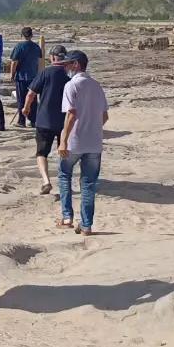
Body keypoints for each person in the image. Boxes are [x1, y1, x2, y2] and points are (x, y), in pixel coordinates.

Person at [57, 51, 109, 235]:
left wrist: (63, 140)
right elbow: (104, 116)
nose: (65, 68)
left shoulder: (71, 86)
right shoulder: (96, 86)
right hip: (94, 143)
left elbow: (71, 114)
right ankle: (86, 225)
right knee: (88, 184)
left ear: (76, 64)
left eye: (68, 64)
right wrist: (93, 128)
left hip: (75, 141)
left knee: (64, 176)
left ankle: (67, 216)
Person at [23, 45, 71, 194]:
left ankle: (46, 181)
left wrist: (26, 108)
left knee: (41, 153)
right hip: (63, 121)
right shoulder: (68, 76)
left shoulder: (45, 73)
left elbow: (31, 93)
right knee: (63, 152)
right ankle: (64, 182)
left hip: (44, 120)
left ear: (52, 57)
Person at [7, 27, 43, 128]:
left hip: (22, 76)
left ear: (22, 35)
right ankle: (33, 121)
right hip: (34, 76)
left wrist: (12, 74)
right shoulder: (36, 47)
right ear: (31, 35)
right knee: (33, 99)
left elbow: (14, 62)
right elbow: (40, 62)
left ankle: (21, 121)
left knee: (21, 99)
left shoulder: (19, 46)